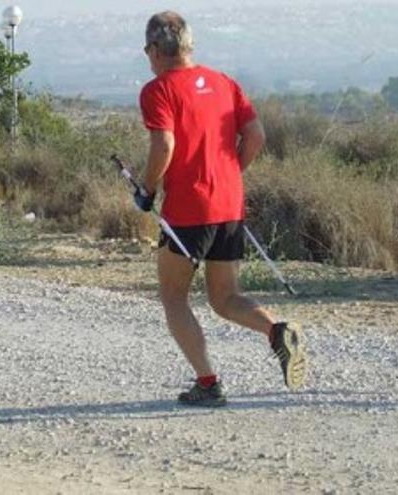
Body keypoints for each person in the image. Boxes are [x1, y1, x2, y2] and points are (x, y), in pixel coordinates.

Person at [135, 11, 307, 407]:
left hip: (187, 208)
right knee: (225, 298)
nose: (148, 58)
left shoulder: (157, 90)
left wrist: (146, 188)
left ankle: (208, 383)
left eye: (147, 51)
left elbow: (164, 145)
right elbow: (256, 135)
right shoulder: (224, 83)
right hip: (229, 203)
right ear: (189, 45)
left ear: (156, 49)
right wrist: (231, 170)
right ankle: (276, 331)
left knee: (174, 297)